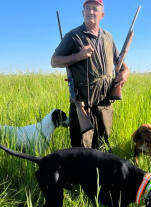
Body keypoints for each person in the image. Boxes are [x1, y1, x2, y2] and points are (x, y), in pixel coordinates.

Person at [51, 0, 129, 150]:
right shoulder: (73, 36)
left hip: (104, 104)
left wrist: (126, 72)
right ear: (82, 12)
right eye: (87, 8)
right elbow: (54, 61)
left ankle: (101, 174)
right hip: (82, 104)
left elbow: (121, 64)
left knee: (103, 146)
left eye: (95, 9)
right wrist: (78, 56)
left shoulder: (108, 37)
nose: (90, 12)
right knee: (81, 150)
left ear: (102, 14)